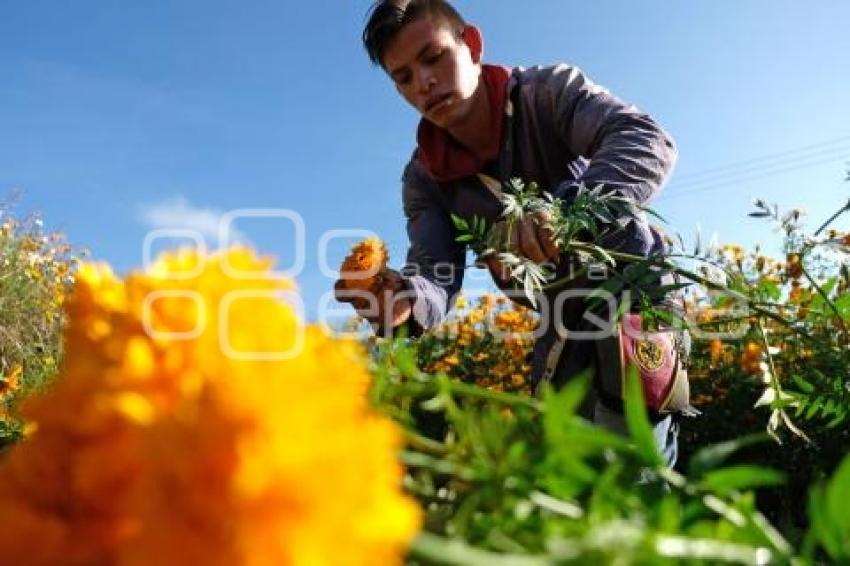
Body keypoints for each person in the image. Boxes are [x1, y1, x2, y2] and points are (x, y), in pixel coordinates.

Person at [337, 0, 682, 465]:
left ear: (472, 44)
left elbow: (643, 139)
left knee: (634, 461)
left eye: (433, 57)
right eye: (403, 77)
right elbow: (434, 275)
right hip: (557, 319)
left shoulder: (548, 93)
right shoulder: (424, 181)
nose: (424, 83)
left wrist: (564, 213)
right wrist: (403, 299)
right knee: (569, 470)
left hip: (630, 288)